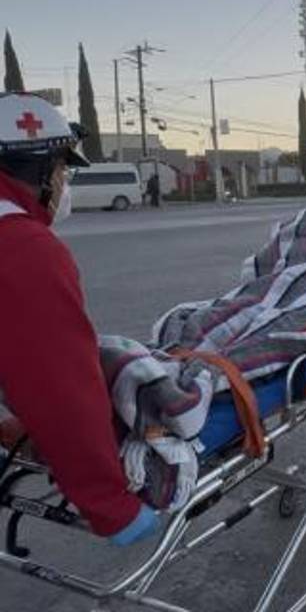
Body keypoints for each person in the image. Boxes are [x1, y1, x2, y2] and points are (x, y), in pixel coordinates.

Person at [0, 93, 158, 545]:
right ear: (38, 172)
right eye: (62, 169)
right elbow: (60, 387)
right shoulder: (22, 248)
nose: (65, 181)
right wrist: (110, 504)